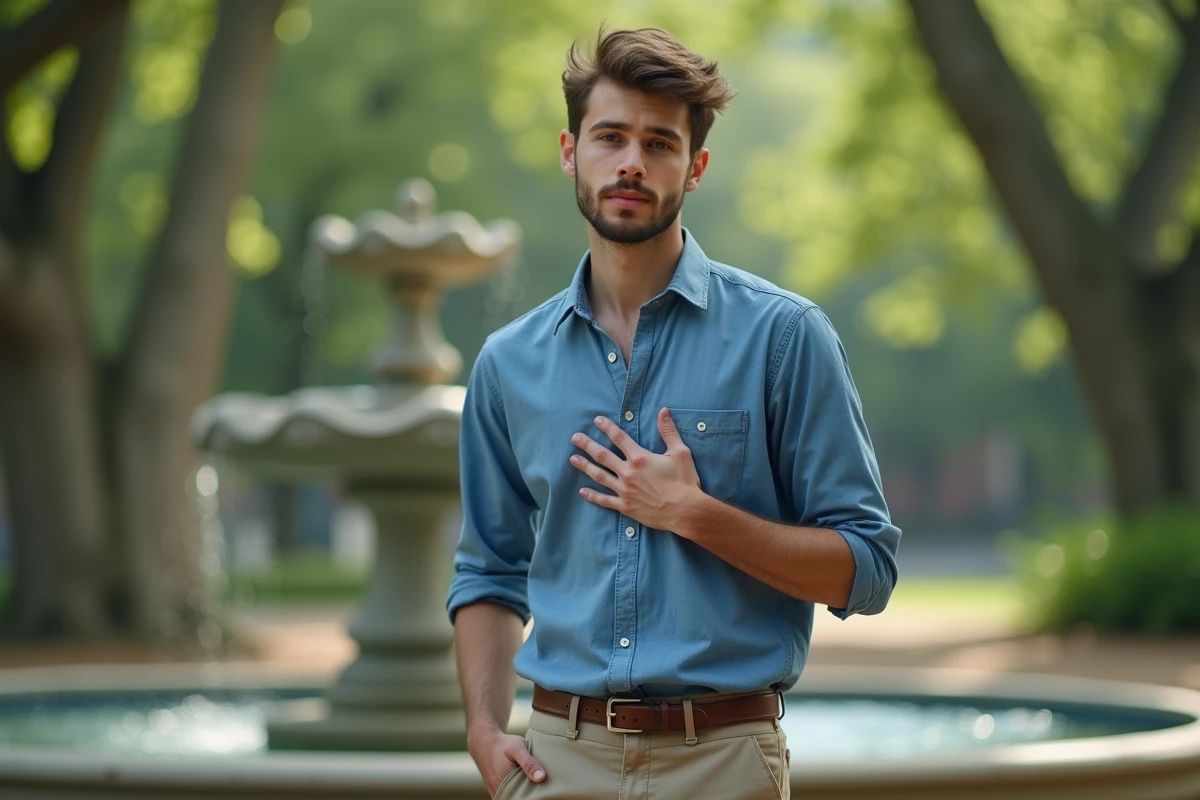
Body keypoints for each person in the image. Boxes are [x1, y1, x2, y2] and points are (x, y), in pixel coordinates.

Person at [447, 26, 900, 800]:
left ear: (696, 167)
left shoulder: (784, 338)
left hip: (724, 761)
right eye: (611, 137)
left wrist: (697, 515)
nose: (632, 162)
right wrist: (485, 732)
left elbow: (867, 568)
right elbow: (490, 569)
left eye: (660, 144)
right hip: (557, 761)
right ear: (570, 151)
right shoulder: (508, 363)